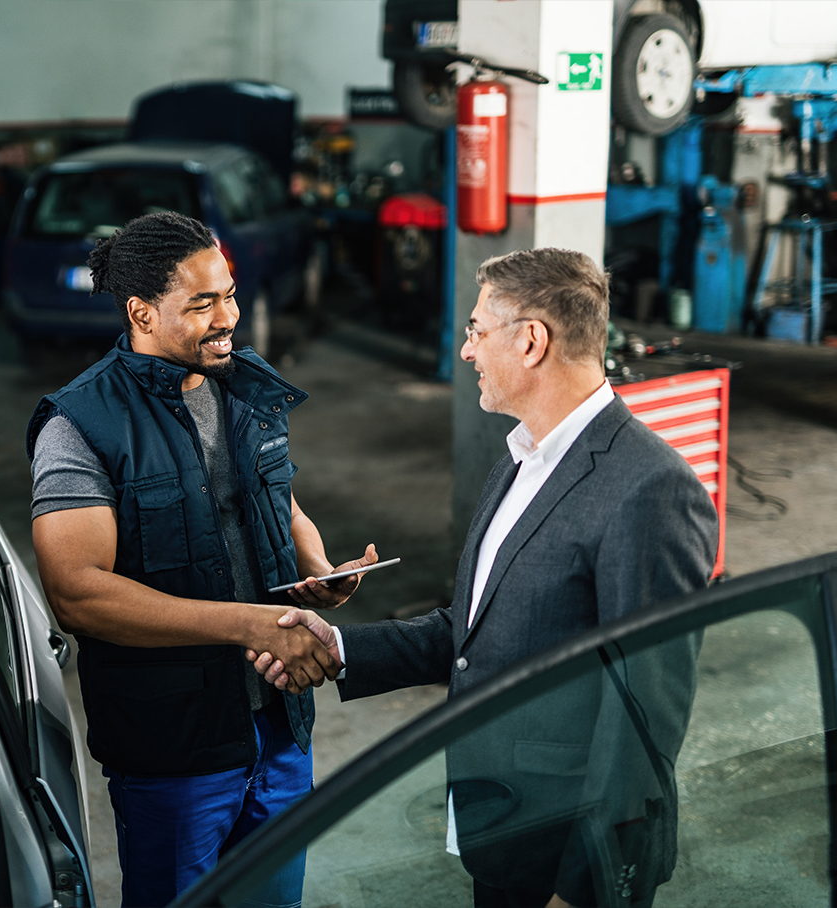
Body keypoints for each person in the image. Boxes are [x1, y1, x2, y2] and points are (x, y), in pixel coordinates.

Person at [251, 247, 719, 908]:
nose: (466, 350)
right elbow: (476, 633)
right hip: (501, 823)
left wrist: (585, 888)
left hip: (564, 854)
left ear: (531, 341)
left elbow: (644, 715)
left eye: (476, 330)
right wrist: (339, 646)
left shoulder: (650, 488)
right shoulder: (520, 460)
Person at [28, 210, 377, 908]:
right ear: (142, 312)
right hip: (175, 748)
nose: (230, 317)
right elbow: (78, 594)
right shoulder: (81, 424)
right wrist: (245, 623)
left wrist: (316, 566)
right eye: (203, 303)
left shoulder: (244, 385)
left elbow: (277, 494)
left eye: (229, 294)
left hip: (280, 727)